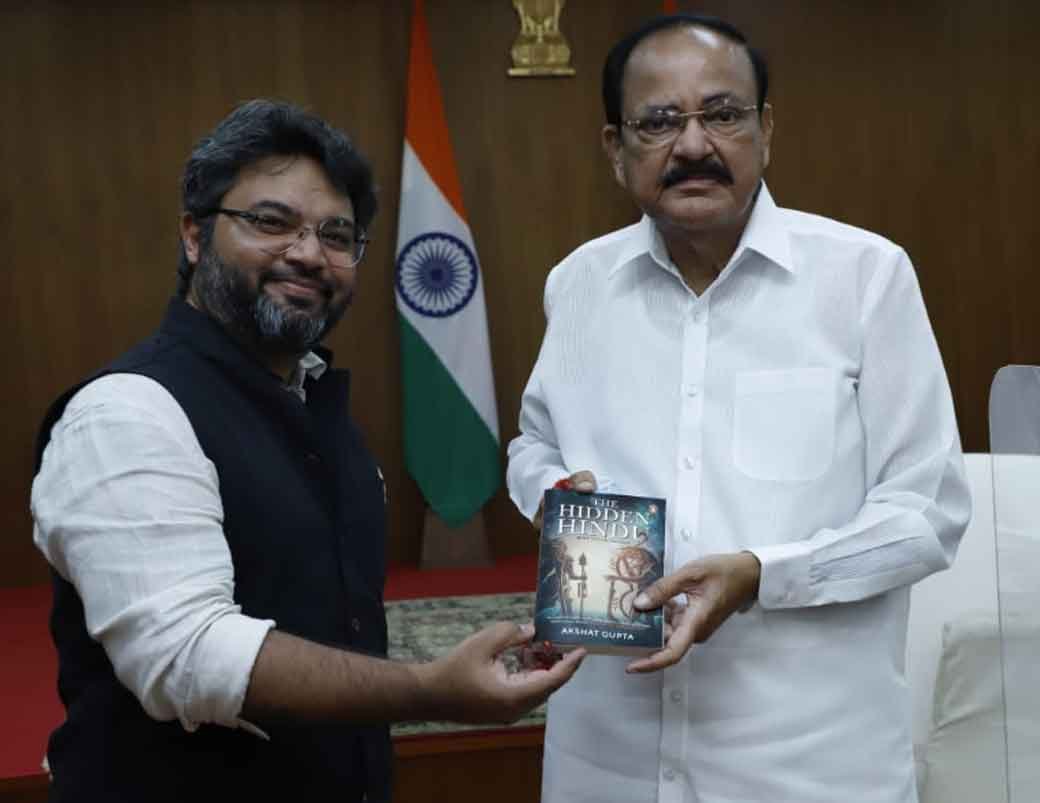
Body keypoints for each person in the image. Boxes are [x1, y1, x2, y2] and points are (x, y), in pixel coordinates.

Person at [31, 99, 583, 803]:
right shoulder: (126, 413)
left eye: (336, 233)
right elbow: (189, 657)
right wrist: (428, 688)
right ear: (194, 235)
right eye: (270, 222)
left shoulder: (316, 404)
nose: (307, 252)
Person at [507, 13, 970, 803]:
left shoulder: (865, 278)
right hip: (606, 762)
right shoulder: (577, 283)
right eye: (658, 121)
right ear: (616, 150)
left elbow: (927, 514)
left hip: (807, 768)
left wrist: (763, 576)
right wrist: (553, 494)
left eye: (721, 114)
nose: (692, 145)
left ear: (766, 130)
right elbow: (532, 443)